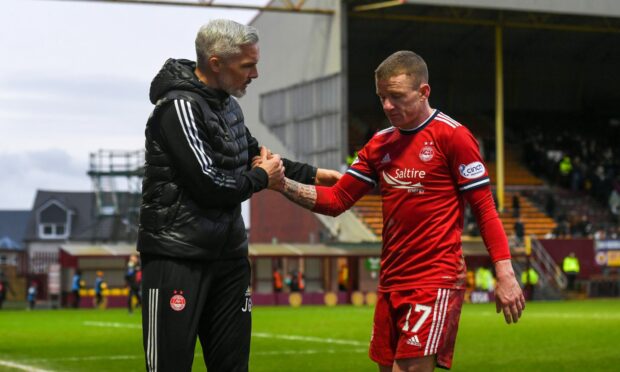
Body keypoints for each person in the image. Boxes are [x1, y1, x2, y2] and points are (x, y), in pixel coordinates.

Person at [277, 51, 525, 371]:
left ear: (424, 92)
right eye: (382, 97)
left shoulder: (453, 136)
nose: (387, 106)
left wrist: (505, 274)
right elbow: (337, 200)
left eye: (396, 97)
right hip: (391, 282)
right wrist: (280, 184)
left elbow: (485, 209)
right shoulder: (379, 144)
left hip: (435, 279)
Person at [136, 19, 340, 372]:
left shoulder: (229, 107)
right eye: (248, 65)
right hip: (178, 259)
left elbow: (253, 154)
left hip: (229, 258)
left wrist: (315, 174)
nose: (255, 74)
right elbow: (209, 185)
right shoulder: (178, 108)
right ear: (216, 63)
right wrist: (262, 178)